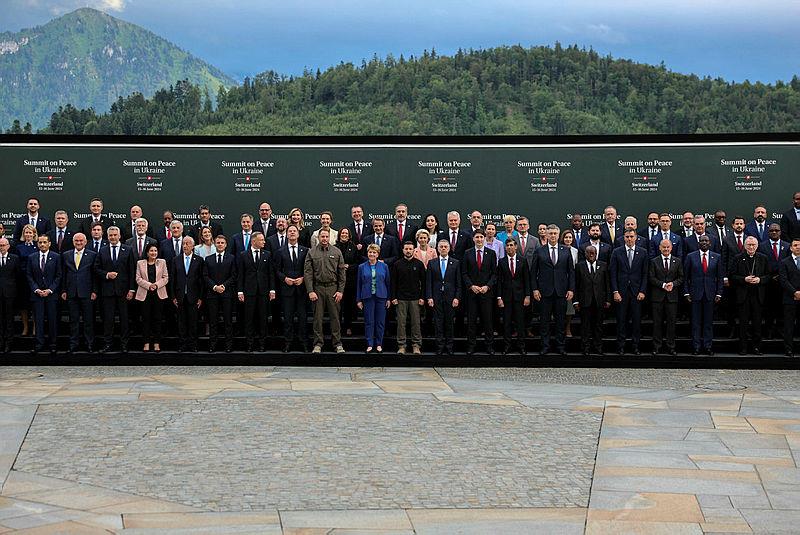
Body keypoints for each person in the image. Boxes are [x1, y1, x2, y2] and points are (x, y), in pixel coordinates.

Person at [531, 225, 575, 355]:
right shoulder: (540, 250)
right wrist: (535, 289)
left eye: (555, 233)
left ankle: (560, 346)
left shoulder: (565, 251)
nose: (553, 236)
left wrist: (571, 289)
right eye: (550, 233)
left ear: (558, 234)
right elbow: (533, 272)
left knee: (560, 321)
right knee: (544, 321)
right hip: (544, 292)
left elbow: (571, 272)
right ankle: (545, 346)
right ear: (547, 234)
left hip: (561, 292)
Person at [304, 228, 346, 354]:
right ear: (318, 237)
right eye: (322, 236)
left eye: (326, 237)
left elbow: (342, 274)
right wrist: (310, 291)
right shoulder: (311, 252)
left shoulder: (336, 252)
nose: (324, 239)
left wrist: (340, 291)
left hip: (333, 288)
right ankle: (318, 344)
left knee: (335, 318)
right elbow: (308, 273)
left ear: (330, 237)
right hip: (318, 288)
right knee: (317, 318)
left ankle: (337, 344)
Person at [94, 226, 135, 354]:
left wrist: (131, 289)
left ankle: (124, 345)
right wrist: (106, 274)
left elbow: (132, 271)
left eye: (115, 235)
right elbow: (96, 269)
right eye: (110, 235)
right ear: (107, 236)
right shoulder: (102, 251)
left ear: (119, 236)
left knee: (124, 319)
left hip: (123, 291)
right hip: (107, 291)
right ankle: (108, 344)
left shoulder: (128, 250)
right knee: (108, 319)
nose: (112, 237)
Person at [610, 229, 649, 355]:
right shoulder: (617, 252)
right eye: (627, 237)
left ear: (636, 237)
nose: (629, 239)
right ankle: (621, 346)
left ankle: (635, 346)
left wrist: (642, 291)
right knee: (621, 320)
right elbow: (613, 273)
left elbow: (645, 274)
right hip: (621, 292)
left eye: (632, 237)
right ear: (624, 238)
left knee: (636, 320)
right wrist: (615, 291)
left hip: (636, 292)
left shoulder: (643, 252)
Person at [683, 235, 724, 355]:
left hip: (710, 294)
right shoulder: (691, 256)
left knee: (708, 323)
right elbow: (686, 277)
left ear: (710, 243)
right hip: (695, 294)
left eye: (706, 241)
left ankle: (707, 346)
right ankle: (696, 347)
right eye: (702, 241)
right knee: (695, 322)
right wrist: (686, 292)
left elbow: (720, 277)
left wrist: (719, 293)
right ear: (698, 243)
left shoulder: (717, 257)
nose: (704, 243)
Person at [237, 231, 275, 352]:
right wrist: (240, 291)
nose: (264, 242)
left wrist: (272, 289)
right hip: (249, 292)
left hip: (263, 292)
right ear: (254, 241)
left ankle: (262, 344)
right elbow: (240, 274)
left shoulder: (267, 254)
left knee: (263, 318)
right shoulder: (243, 255)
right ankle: (249, 344)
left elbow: (271, 274)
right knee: (249, 318)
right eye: (261, 240)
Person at [730, 237, 769, 355]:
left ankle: (756, 347)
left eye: (753, 245)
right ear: (745, 246)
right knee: (743, 324)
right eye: (749, 245)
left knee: (757, 323)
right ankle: (743, 348)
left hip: (757, 296)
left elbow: (768, 275)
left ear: (757, 246)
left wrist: (760, 280)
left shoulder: (763, 258)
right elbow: (732, 275)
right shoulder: (738, 258)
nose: (751, 247)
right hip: (743, 296)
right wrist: (744, 279)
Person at [274, 225, 310, 352]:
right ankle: (288, 342)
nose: (292, 233)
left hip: (301, 290)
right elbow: (277, 270)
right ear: (287, 234)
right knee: (288, 318)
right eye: (290, 231)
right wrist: (284, 279)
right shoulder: (280, 251)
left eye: (294, 231)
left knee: (302, 318)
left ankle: (304, 342)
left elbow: (309, 269)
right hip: (287, 290)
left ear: (298, 234)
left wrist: (303, 278)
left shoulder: (305, 250)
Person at [60, 232, 98, 353]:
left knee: (88, 321)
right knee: (73, 320)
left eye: (81, 241)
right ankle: (73, 344)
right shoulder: (66, 255)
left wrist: (94, 291)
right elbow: (63, 274)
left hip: (87, 292)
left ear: (86, 242)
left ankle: (89, 344)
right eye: (76, 241)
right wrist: (64, 290)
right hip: (71, 292)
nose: (79, 243)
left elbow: (95, 275)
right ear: (73, 242)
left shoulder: (92, 255)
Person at [462, 228, 497, 355]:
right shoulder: (467, 253)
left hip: (486, 293)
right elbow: (464, 273)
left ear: (484, 238)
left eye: (481, 237)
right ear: (473, 239)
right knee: (471, 321)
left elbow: (494, 274)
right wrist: (471, 286)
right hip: (472, 293)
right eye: (477, 237)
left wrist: (487, 286)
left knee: (487, 320)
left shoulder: (491, 253)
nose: (479, 239)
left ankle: (489, 346)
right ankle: (471, 346)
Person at [27, 234, 61, 354]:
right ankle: (39, 344)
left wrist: (50, 290)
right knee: (39, 320)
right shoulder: (32, 257)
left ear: (49, 243)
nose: (42, 244)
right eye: (40, 242)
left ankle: (53, 344)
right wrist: (36, 289)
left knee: (52, 320)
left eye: (44, 242)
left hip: (51, 294)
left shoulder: (56, 257)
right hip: (37, 295)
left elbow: (58, 276)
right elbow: (29, 276)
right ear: (37, 244)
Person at [648, 239, 684, 356]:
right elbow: (651, 277)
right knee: (657, 323)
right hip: (657, 297)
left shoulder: (677, 261)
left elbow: (681, 277)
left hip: (672, 298)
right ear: (659, 248)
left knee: (671, 323)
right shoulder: (654, 261)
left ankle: (671, 347)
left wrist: (673, 284)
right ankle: (656, 347)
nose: (666, 249)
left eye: (668, 247)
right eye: (664, 247)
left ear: (671, 248)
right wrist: (663, 285)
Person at [573, 245, 611, 356]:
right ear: (585, 254)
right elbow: (576, 284)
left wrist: (608, 299)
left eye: (592, 253)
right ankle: (585, 348)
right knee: (585, 326)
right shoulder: (579, 266)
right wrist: (575, 301)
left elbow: (607, 284)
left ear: (596, 254)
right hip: (585, 301)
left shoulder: (603, 265)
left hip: (599, 301)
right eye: (588, 253)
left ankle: (598, 347)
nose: (590, 255)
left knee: (598, 326)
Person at [426, 239, 461, 355]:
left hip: (451, 298)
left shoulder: (455, 263)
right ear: (437, 248)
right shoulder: (432, 262)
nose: (443, 248)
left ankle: (450, 346)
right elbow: (429, 282)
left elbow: (458, 282)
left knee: (449, 322)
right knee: (438, 323)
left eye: (446, 247)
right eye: (441, 247)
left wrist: (457, 297)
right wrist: (429, 297)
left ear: (449, 248)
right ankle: (440, 347)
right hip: (436, 297)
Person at [169, 236, 204, 353]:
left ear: (193, 246)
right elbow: (172, 279)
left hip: (193, 297)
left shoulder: (199, 260)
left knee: (193, 322)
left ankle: (193, 345)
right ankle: (182, 345)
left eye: (188, 244)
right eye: (184, 243)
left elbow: (201, 280)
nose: (185, 246)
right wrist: (173, 296)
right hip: (180, 297)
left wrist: (200, 297)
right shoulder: (176, 260)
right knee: (181, 322)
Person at [496, 238, 530, 355]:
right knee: (507, 323)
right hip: (506, 298)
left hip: (520, 297)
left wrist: (527, 296)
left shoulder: (523, 261)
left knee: (520, 323)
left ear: (516, 247)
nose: (509, 247)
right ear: (505, 248)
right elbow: (499, 281)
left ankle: (521, 346)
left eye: (511, 245)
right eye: (507, 246)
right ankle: (507, 346)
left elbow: (527, 279)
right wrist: (499, 297)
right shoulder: (501, 262)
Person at [204, 234, 237, 353]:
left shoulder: (231, 258)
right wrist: (214, 287)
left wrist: (223, 286)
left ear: (226, 244)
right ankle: (213, 344)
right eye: (218, 243)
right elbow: (205, 276)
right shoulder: (208, 259)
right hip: (212, 294)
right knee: (213, 321)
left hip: (226, 293)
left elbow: (234, 275)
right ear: (215, 244)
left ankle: (229, 345)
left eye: (222, 243)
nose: (220, 245)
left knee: (228, 320)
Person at [391, 241, 426, 355]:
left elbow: (424, 282)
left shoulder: (419, 264)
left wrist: (422, 297)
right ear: (403, 250)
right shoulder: (397, 264)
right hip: (401, 298)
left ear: (414, 250)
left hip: (415, 298)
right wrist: (394, 297)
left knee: (416, 323)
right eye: (406, 249)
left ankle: (416, 345)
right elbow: (393, 282)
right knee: (401, 323)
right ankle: (401, 345)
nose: (408, 251)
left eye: (410, 249)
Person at [357, 244, 391, 353]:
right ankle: (370, 344)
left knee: (380, 322)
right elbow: (359, 284)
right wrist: (358, 300)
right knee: (369, 321)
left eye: (374, 252)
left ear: (378, 254)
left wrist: (389, 298)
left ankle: (379, 344)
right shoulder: (361, 267)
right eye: (370, 252)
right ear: (367, 253)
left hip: (381, 297)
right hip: (367, 297)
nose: (372, 254)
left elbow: (388, 283)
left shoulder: (384, 266)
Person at [759, 224, 791, 339]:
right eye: (771, 230)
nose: (774, 232)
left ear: (780, 232)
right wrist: (770, 276)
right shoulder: (762, 246)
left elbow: (789, 265)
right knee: (769, 309)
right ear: (768, 232)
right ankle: (769, 331)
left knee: (782, 309)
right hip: (768, 283)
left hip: (783, 283)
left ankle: (781, 330)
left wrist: (780, 276)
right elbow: (761, 265)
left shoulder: (787, 246)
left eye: (776, 230)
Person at [135, 243, 168, 352]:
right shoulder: (140, 263)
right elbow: (138, 279)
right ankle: (146, 343)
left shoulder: (162, 262)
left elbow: (165, 278)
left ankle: (157, 343)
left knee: (157, 320)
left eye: (155, 251)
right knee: (146, 320)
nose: (153, 253)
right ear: (147, 253)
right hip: (145, 295)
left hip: (159, 294)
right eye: (151, 251)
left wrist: (156, 285)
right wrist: (149, 285)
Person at [14, 224, 38, 337]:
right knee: (23, 305)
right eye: (26, 233)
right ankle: (25, 327)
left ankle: (35, 327)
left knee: (34, 305)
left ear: (34, 234)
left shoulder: (38, 246)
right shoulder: (19, 247)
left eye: (30, 233)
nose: (28, 235)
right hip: (23, 279)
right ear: (23, 234)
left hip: (35, 279)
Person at [778, 238, 800, 356]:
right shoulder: (784, 262)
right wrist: (795, 293)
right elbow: (783, 280)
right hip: (789, 298)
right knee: (788, 325)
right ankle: (789, 349)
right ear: (791, 248)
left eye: (799, 245)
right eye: (795, 245)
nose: (798, 247)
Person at [337, 227, 360, 337]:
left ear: (349, 235)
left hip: (350, 281)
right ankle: (338, 327)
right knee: (337, 307)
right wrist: (340, 267)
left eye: (346, 233)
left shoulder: (353, 247)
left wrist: (349, 266)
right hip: (337, 281)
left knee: (348, 306)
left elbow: (358, 263)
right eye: (342, 233)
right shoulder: (334, 247)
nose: (344, 234)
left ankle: (348, 327)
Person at [0, 238, 21, 353]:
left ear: (8, 246)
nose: (2, 247)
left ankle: (9, 343)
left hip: (10, 294)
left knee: (9, 319)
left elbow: (18, 276)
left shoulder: (14, 258)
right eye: (0, 245)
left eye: (4, 245)